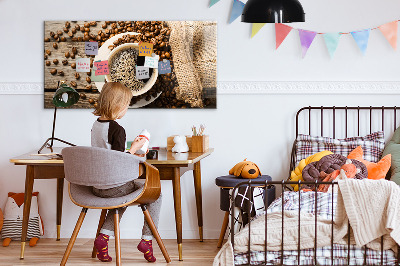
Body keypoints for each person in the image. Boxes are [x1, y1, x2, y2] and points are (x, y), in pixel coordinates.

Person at [91, 82, 161, 263]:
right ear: (119, 105)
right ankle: (147, 240)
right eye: (127, 105)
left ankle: (103, 238)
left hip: (97, 186)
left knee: (121, 198)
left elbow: (108, 154)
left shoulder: (96, 125)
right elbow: (119, 161)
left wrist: (130, 150)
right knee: (156, 194)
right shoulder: (117, 129)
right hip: (114, 186)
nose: (126, 109)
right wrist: (136, 148)